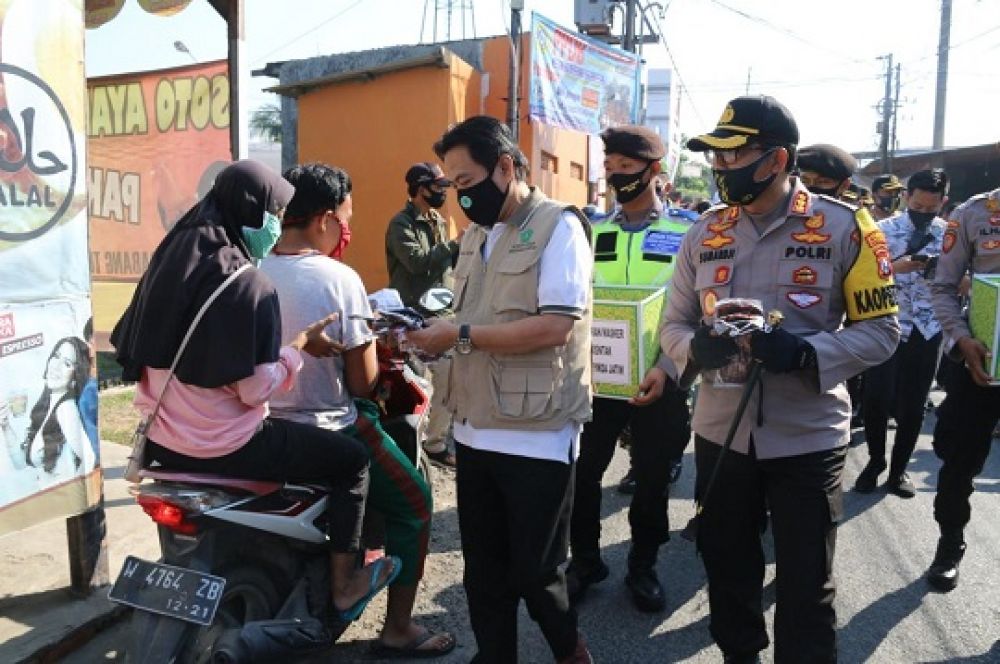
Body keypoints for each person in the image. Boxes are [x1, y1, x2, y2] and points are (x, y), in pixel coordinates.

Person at [661, 95, 900, 663]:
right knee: (727, 569)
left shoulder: (846, 227)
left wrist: (807, 353)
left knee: (806, 584)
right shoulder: (704, 232)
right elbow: (672, 323)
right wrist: (694, 347)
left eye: (733, 155)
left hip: (808, 436)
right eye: (716, 158)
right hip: (721, 433)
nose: (720, 168)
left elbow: (883, 332)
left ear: (775, 160)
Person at [109, 160, 399, 623]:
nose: (275, 225)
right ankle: (345, 586)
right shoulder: (246, 284)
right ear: (251, 212)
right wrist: (300, 347)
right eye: (272, 214)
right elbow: (254, 389)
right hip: (225, 446)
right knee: (353, 463)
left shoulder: (174, 265)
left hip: (165, 444)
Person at [406, 116, 594, 664]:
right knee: (483, 575)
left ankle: (570, 651)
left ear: (506, 167)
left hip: (537, 431)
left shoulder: (560, 227)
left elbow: (556, 325)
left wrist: (459, 334)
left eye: (466, 183)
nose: (459, 198)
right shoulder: (476, 237)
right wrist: (432, 342)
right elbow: (469, 320)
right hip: (475, 427)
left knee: (537, 573)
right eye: (452, 186)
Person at [261, 163, 455, 657]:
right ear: (325, 218)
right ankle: (399, 628)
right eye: (346, 218)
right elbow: (362, 383)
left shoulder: (250, 266)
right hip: (330, 428)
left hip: (259, 427)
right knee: (415, 505)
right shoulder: (337, 278)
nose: (347, 229)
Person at [565, 125, 692, 613]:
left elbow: (698, 310)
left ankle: (643, 564)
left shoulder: (686, 233)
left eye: (627, 169)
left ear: (654, 172)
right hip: (599, 381)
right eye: (611, 168)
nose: (617, 177)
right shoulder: (596, 231)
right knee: (583, 473)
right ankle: (586, 561)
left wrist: (667, 365)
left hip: (662, 376)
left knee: (653, 478)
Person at [854, 169, 949, 497]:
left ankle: (898, 470)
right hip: (887, 326)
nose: (923, 213)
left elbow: (962, 280)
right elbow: (861, 276)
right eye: (917, 206)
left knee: (914, 405)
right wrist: (897, 267)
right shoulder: (881, 231)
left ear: (942, 203)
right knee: (876, 399)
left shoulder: (949, 235)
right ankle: (875, 461)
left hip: (927, 329)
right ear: (906, 197)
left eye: (930, 208)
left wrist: (939, 270)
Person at [926, 186, 1000, 591]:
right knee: (959, 463)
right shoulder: (975, 213)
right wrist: (959, 338)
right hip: (981, 364)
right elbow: (943, 286)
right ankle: (950, 543)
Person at [386, 162, 461, 468]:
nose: (443, 194)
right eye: (438, 188)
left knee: (448, 377)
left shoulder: (439, 222)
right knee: (414, 383)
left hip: (442, 314)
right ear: (420, 189)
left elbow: (446, 268)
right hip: (411, 317)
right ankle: (410, 445)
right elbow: (417, 262)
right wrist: (453, 245)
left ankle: (434, 442)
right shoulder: (401, 224)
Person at [1, 336, 96, 483]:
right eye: (56, 356)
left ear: (75, 376)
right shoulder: (50, 406)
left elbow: (90, 459)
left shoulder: (65, 409)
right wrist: (6, 426)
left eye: (67, 363)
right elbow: (20, 463)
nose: (56, 366)